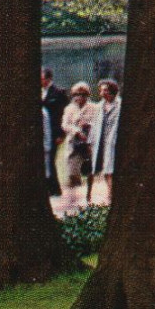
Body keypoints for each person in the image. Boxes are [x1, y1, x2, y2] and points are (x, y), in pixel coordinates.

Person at [59, 82, 98, 214]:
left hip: (89, 143)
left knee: (89, 170)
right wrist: (76, 131)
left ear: (87, 95)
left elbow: (98, 122)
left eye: (82, 95)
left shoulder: (93, 107)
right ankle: (72, 200)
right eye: (76, 94)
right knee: (72, 172)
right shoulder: (69, 109)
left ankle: (89, 195)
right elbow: (64, 125)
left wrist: (88, 125)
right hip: (74, 144)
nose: (79, 97)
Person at [90, 79, 121, 204]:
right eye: (101, 90)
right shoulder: (99, 107)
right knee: (105, 168)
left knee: (111, 169)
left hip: (114, 141)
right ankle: (110, 193)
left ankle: (111, 195)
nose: (102, 93)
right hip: (102, 141)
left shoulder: (119, 105)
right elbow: (95, 124)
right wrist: (90, 141)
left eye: (105, 90)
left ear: (111, 91)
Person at [40, 68, 68, 197]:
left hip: (54, 132)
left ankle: (55, 189)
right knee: (45, 160)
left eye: (43, 78)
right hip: (44, 131)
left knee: (50, 159)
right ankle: (49, 187)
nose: (41, 81)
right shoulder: (40, 92)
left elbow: (63, 115)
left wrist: (61, 134)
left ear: (48, 78)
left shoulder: (59, 93)